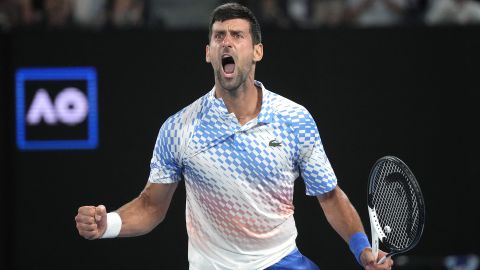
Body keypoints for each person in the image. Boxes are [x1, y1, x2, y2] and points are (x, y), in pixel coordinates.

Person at [75, 3, 394, 270]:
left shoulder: (294, 119)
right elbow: (151, 207)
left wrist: (362, 250)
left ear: (257, 51)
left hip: (281, 261)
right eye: (218, 37)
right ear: (208, 53)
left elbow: (329, 195)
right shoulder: (180, 128)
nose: (226, 43)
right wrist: (109, 225)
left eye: (237, 35)